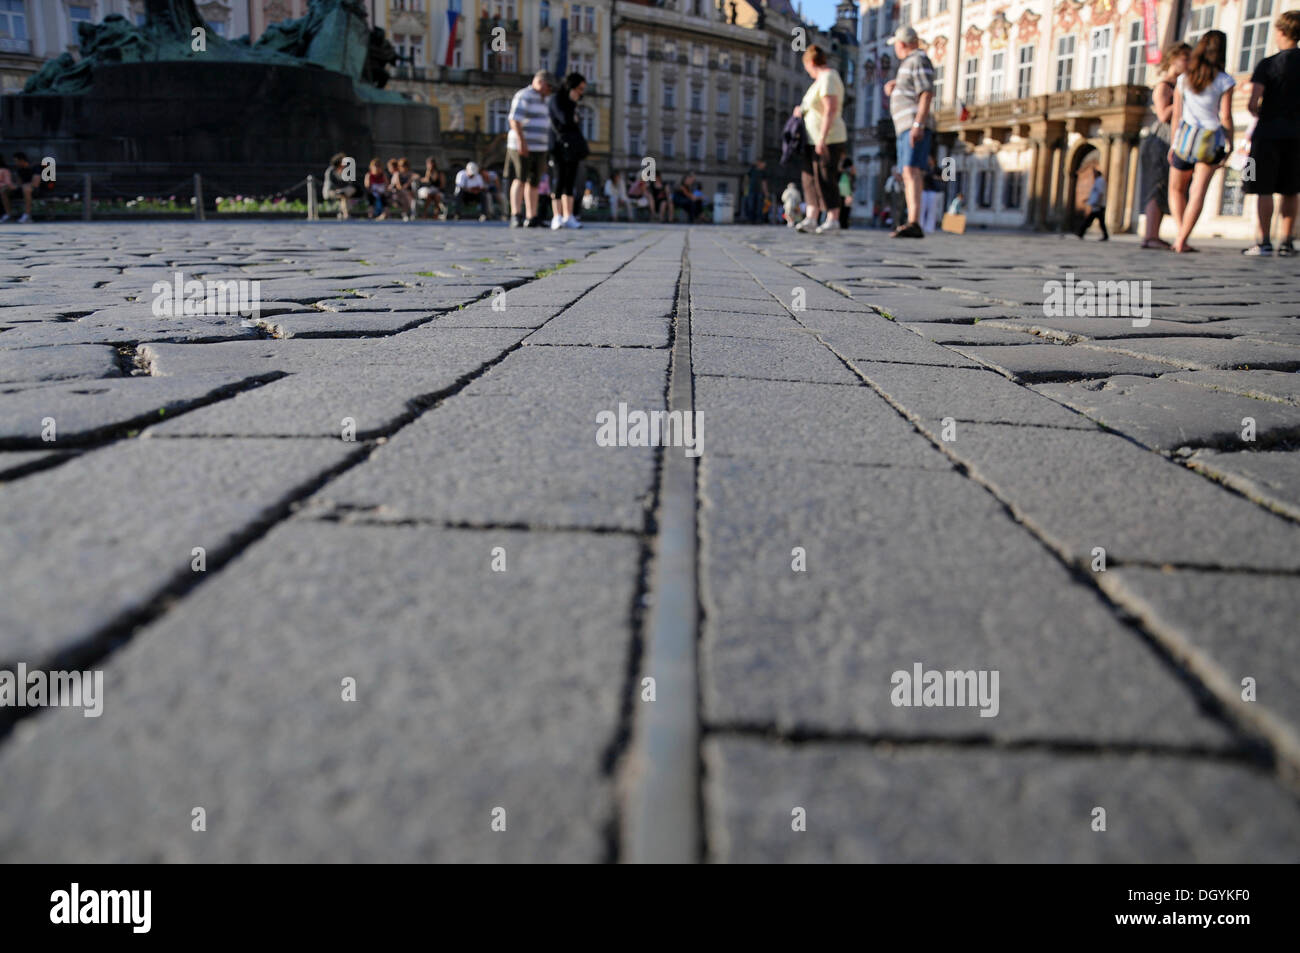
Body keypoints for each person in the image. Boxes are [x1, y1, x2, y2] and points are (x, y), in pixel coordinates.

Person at [1168, 30, 1234, 254]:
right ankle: (1182, 238)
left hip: (1185, 139)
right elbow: (1225, 116)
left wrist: (1173, 143)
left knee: (1177, 189)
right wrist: (1230, 143)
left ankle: (1180, 234)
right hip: (1210, 139)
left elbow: (1177, 115)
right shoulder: (1225, 81)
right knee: (1198, 191)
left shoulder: (1183, 79)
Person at [1242, 10, 1300, 257]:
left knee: (1261, 187)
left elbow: (1253, 103)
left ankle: (1264, 241)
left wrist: (1261, 110)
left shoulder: (1267, 64)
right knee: (1291, 188)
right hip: (1297, 133)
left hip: (1266, 133)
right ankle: (1286, 242)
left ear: (1280, 31)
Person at [883, 26, 936, 238]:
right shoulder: (910, 63)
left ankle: (914, 221)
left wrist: (918, 124)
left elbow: (926, 92)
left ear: (902, 44)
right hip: (905, 126)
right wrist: (897, 87)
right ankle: (911, 220)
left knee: (912, 171)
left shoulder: (918, 59)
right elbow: (916, 87)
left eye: (895, 44)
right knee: (908, 172)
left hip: (912, 125)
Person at [1139, 43, 1190, 249]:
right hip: (1160, 139)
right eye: (1185, 59)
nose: (1188, 64)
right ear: (1173, 59)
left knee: (1164, 187)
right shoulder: (1164, 86)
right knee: (1157, 185)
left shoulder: (1181, 84)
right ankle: (1150, 236)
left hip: (1175, 137)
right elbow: (1162, 115)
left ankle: (1155, 235)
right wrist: (1179, 97)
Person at [791, 45, 847, 233]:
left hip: (828, 138)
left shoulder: (829, 77)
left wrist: (822, 138)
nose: (806, 70)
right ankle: (812, 216)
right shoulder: (817, 82)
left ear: (811, 62)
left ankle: (833, 218)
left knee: (825, 176)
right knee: (809, 178)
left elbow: (830, 109)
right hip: (810, 139)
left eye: (806, 65)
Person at [506, 70, 555, 228]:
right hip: (521, 145)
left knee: (534, 181)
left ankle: (531, 216)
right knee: (520, 178)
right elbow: (514, 120)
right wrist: (522, 142)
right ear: (541, 82)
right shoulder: (524, 95)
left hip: (540, 147)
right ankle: (515, 214)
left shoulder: (546, 99)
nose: (550, 91)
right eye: (549, 87)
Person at [548, 72, 589, 230]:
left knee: (570, 181)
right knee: (559, 180)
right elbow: (566, 120)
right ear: (571, 86)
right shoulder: (557, 99)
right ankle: (556, 216)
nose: (581, 92)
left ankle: (568, 215)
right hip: (558, 146)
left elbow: (575, 122)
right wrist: (572, 104)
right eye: (579, 88)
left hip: (572, 147)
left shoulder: (573, 102)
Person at [3, 153, 41, 224]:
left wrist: (23, 186)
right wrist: (13, 186)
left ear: (22, 160)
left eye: (16, 161)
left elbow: (35, 183)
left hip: (36, 191)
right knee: (4, 190)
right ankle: (9, 215)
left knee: (26, 189)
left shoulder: (35, 167)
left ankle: (27, 215)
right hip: (23, 189)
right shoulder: (19, 170)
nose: (15, 163)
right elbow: (19, 183)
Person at [322, 153, 358, 219]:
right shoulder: (330, 171)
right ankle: (345, 213)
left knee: (347, 193)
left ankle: (343, 213)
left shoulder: (344, 170)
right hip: (330, 191)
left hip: (341, 191)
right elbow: (330, 184)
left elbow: (348, 183)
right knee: (343, 195)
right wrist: (338, 190)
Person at [1076, 169, 1108, 240]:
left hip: (1098, 205)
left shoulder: (1100, 181)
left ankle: (1080, 233)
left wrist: (1098, 203)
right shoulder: (1098, 181)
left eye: (1094, 174)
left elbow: (1100, 193)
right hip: (1097, 204)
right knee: (1100, 221)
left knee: (1089, 220)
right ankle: (1105, 235)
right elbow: (1095, 193)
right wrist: (1088, 199)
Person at [920, 157, 943, 232]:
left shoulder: (937, 169)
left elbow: (944, 178)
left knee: (932, 209)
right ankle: (920, 225)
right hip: (925, 189)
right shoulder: (924, 168)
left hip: (933, 190)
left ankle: (930, 227)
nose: (929, 160)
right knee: (922, 208)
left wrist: (937, 178)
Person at [743, 158, 768, 223]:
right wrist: (745, 188)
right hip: (751, 191)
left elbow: (764, 183)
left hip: (759, 191)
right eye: (764, 164)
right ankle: (750, 219)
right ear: (760, 163)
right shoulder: (752, 170)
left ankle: (758, 220)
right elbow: (746, 179)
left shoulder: (763, 172)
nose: (764, 165)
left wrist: (766, 192)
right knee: (751, 206)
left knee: (759, 206)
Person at [837, 158, 855, 229]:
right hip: (845, 194)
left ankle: (843, 224)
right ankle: (843, 224)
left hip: (844, 194)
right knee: (844, 211)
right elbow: (846, 185)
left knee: (844, 211)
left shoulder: (844, 174)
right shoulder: (846, 174)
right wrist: (849, 195)